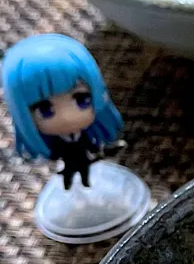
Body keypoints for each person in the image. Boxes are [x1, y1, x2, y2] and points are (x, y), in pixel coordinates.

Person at [1, 33, 123, 190]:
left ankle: (86, 185)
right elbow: (55, 152)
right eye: (45, 110)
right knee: (70, 180)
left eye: (82, 100)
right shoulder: (57, 143)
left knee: (86, 176)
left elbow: (90, 145)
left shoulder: (85, 135)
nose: (67, 117)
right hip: (69, 162)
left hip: (85, 159)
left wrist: (100, 149)